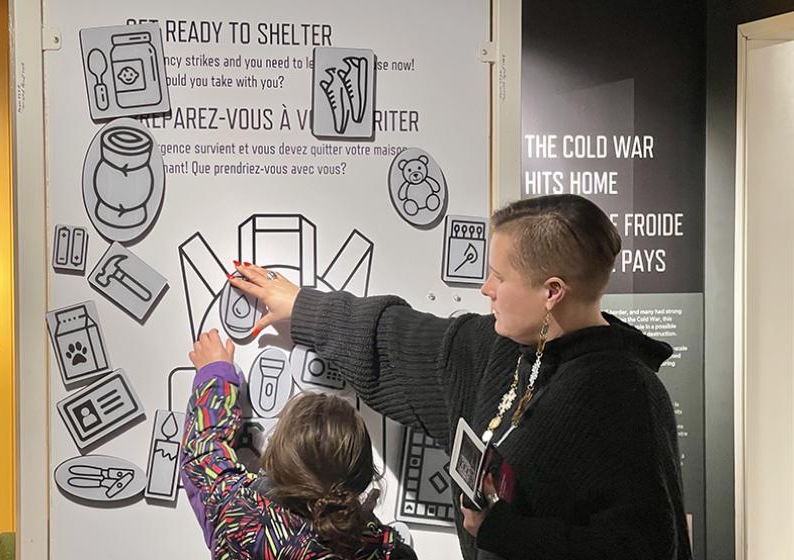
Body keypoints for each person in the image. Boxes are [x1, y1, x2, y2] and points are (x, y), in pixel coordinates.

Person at [230, 194, 692, 560]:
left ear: (552, 292)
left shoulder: (628, 397)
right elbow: (396, 341)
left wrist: (502, 530)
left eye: (499, 276)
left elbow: (645, 548)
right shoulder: (496, 350)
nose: (485, 288)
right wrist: (304, 309)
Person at [180, 328, 417, 560]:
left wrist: (216, 373)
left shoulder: (237, 514)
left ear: (273, 457)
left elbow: (202, 455)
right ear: (365, 474)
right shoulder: (383, 549)